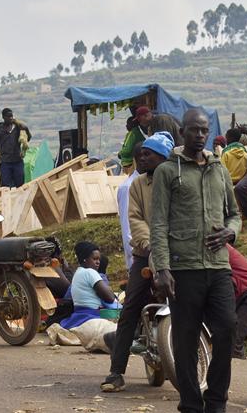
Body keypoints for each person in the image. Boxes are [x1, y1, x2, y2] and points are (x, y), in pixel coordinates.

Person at [151, 108, 241, 413]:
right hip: (182, 267)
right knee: (186, 341)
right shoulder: (167, 171)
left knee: (227, 328)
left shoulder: (220, 169)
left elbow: (235, 214)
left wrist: (231, 232)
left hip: (217, 266)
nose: (200, 135)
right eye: (194, 130)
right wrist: (162, 268)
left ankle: (216, 401)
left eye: (204, 130)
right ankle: (190, 404)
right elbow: (159, 223)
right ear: (183, 132)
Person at [101, 131, 174, 393]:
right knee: (131, 305)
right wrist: (152, 244)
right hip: (146, 251)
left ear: (163, 157)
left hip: (177, 250)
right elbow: (136, 220)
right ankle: (116, 371)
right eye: (141, 153)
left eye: (147, 153)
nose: (141, 158)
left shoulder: (177, 179)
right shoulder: (137, 185)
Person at [60, 242, 116, 329]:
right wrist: (109, 290)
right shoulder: (90, 272)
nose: (98, 262)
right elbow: (110, 298)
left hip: (78, 316)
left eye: (99, 259)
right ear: (85, 259)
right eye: (95, 259)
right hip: (92, 315)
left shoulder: (78, 273)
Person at [116, 141, 145, 270]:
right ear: (138, 159)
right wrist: (134, 257)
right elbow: (127, 227)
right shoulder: (128, 187)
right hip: (139, 258)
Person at [0, 108, 31, 188]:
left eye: (11, 116)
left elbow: (28, 138)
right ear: (3, 117)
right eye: (8, 116)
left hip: (17, 161)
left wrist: (25, 128)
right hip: (5, 162)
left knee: (20, 184)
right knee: (5, 186)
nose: (10, 118)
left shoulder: (18, 128)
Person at [118, 106, 152, 173]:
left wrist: (120, 154)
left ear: (131, 124)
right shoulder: (138, 134)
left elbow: (127, 150)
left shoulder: (131, 134)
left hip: (130, 164)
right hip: (138, 162)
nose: (126, 126)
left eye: (127, 124)